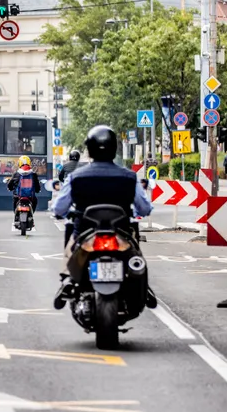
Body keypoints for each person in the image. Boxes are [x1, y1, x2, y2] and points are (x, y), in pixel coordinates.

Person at [52, 125, 154, 309]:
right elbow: (145, 207)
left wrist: (62, 213)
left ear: (89, 150)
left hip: (84, 232)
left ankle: (67, 279)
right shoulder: (129, 177)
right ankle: (143, 286)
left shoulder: (75, 177)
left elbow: (59, 207)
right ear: (114, 148)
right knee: (136, 256)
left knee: (70, 244)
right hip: (121, 232)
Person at [6, 155, 40, 227]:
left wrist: (10, 188)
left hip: (18, 196)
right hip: (30, 197)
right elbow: (37, 186)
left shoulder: (17, 174)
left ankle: (16, 217)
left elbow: (10, 184)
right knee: (35, 201)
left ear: (19, 163)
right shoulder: (33, 174)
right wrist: (37, 190)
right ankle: (31, 216)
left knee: (15, 202)